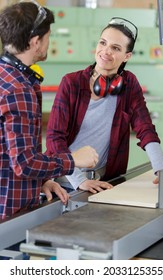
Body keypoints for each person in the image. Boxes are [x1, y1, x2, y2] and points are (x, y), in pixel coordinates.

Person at [0, 1, 99, 220]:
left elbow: (8, 150)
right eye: (48, 36)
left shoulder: (6, 76)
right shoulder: (18, 89)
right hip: (9, 214)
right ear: (35, 42)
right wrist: (72, 160)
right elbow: (24, 163)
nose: (48, 42)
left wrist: (42, 180)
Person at [46, 17, 163, 194]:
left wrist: (161, 170)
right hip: (66, 183)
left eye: (115, 48)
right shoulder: (71, 82)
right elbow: (54, 139)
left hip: (105, 182)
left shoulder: (129, 84)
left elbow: (145, 127)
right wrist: (80, 181)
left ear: (127, 56)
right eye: (103, 43)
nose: (106, 51)